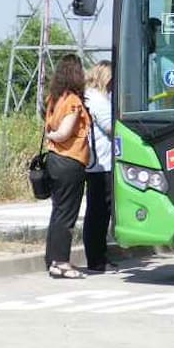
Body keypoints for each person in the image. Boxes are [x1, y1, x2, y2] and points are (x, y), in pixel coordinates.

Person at [43, 54, 91, 279]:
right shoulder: (72, 101)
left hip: (54, 160)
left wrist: (50, 136)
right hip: (70, 160)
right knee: (67, 214)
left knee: (57, 211)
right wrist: (55, 135)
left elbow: (50, 129)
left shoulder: (54, 99)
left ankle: (52, 260)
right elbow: (65, 132)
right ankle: (62, 262)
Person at [83, 60, 114, 272]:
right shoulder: (98, 100)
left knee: (97, 212)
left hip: (96, 162)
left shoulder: (90, 96)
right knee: (99, 213)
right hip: (101, 163)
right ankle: (97, 259)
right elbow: (111, 127)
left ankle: (98, 256)